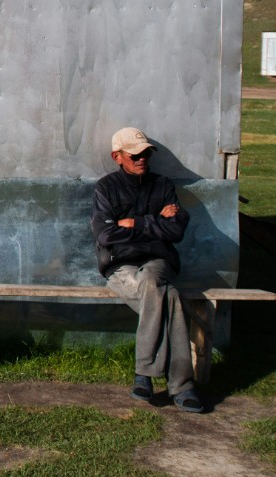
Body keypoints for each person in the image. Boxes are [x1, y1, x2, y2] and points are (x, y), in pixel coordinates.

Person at [91, 127, 204, 413]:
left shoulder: (163, 185)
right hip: (121, 266)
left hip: (157, 262)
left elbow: (176, 229)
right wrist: (156, 225)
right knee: (171, 298)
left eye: (146, 153)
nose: (142, 158)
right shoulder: (106, 188)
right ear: (117, 156)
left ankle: (145, 374)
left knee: (154, 283)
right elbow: (105, 236)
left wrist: (135, 223)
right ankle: (182, 385)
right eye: (135, 154)